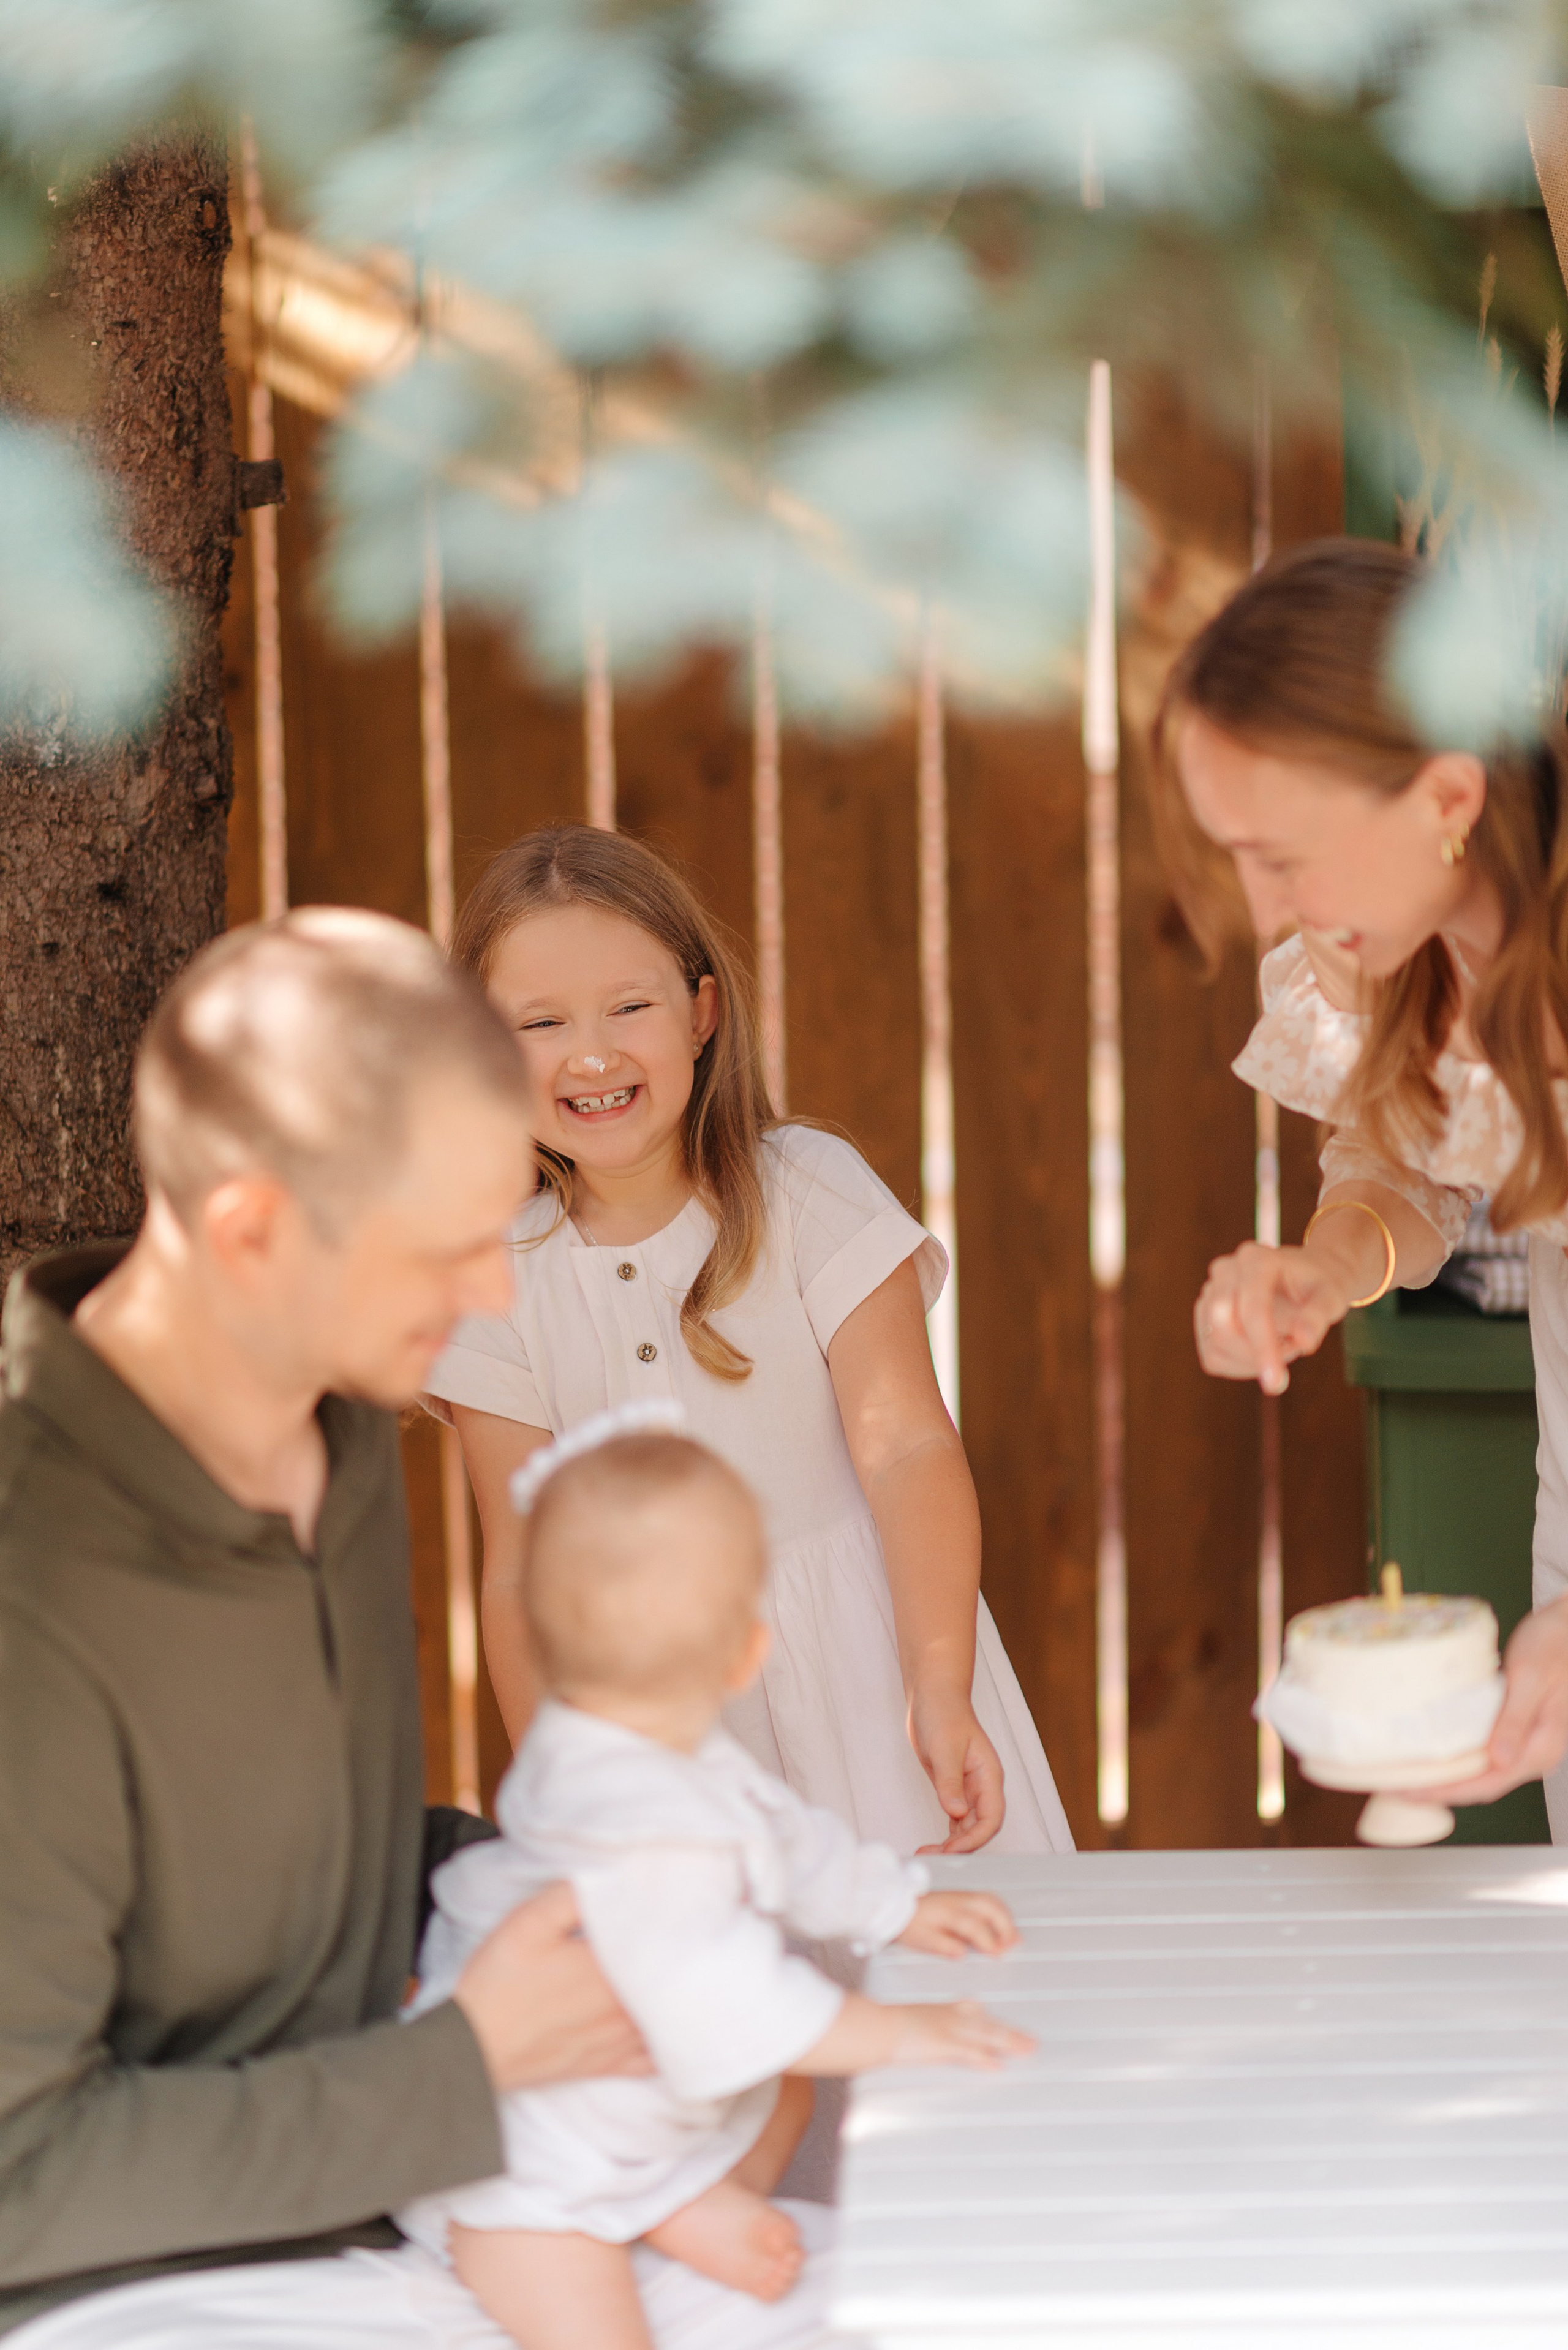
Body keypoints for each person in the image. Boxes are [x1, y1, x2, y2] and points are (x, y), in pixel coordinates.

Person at [0, 909, 845, 2350]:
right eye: (444, 1246)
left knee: (891, 2254)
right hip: (135, 2290)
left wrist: (604, 1877)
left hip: (403, 2186)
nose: (494, 1293)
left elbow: (310, 1862)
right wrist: (464, 2064)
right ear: (251, 1226)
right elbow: (19, 2181)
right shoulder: (34, 1584)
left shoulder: (335, 1427)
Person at [423, 826, 1073, 1862]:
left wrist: (938, 1686)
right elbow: (518, 1569)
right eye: (540, 1021)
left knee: (964, 1986)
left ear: (701, 1012)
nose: (593, 1053)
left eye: (630, 1005)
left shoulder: (807, 1189)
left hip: (880, 1695)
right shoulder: (495, 1283)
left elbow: (907, 1444)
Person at [402, 1414, 1028, 2350]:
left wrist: (897, 1905)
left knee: (784, 2097)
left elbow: (788, 1841)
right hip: (518, 2167)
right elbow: (736, 2000)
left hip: (603, 2096)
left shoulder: (614, 1745)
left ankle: (674, 2205)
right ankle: (658, 2209)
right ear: (746, 1650)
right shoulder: (648, 1828)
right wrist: (900, 2031)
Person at [1151, 537, 1568, 1831]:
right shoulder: (1396, 962)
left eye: (1280, 854)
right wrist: (1323, 1268)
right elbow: (1402, 1164)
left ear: (1446, 794)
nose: (1260, 904)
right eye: (1234, 855)